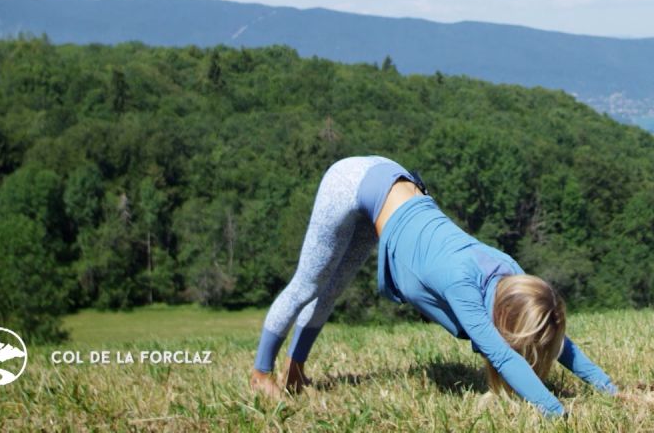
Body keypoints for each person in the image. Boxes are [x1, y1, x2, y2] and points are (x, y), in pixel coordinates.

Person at [250, 155, 617, 417]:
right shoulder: (463, 287)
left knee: (331, 290)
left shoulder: (514, 276)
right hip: (350, 182)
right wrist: (558, 414)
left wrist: (610, 389)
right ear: (504, 318)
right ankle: (261, 373)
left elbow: (556, 340)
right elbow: (503, 356)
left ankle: (295, 370)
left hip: (393, 188)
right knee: (308, 285)